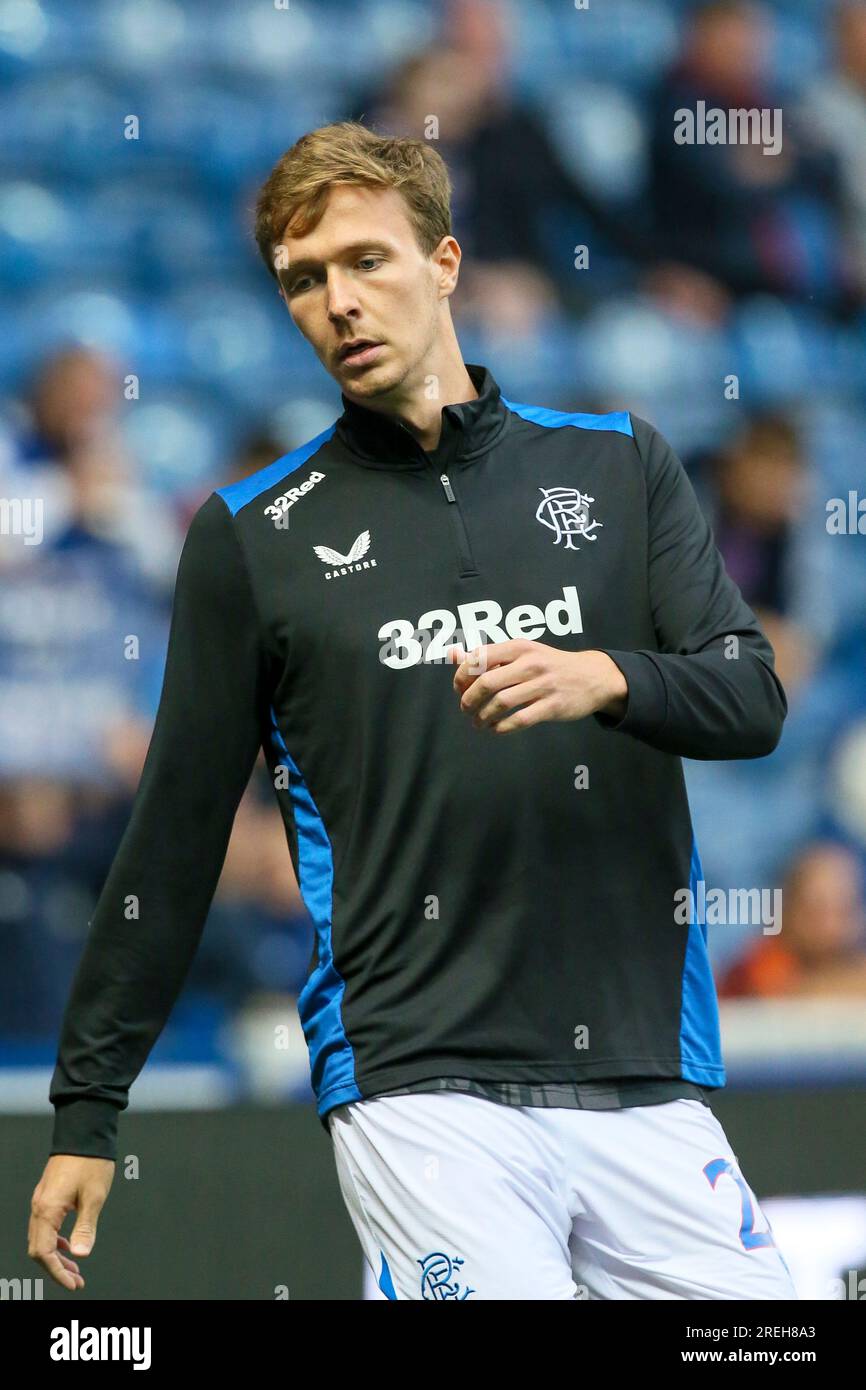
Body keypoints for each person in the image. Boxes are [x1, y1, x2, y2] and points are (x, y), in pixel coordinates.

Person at [29, 121, 796, 1300]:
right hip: (415, 1087)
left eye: (364, 261)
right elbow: (174, 834)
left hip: (645, 1071)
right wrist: (88, 1107)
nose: (336, 301)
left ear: (442, 263)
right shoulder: (250, 538)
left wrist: (609, 677)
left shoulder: (616, 467)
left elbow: (751, 697)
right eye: (302, 280)